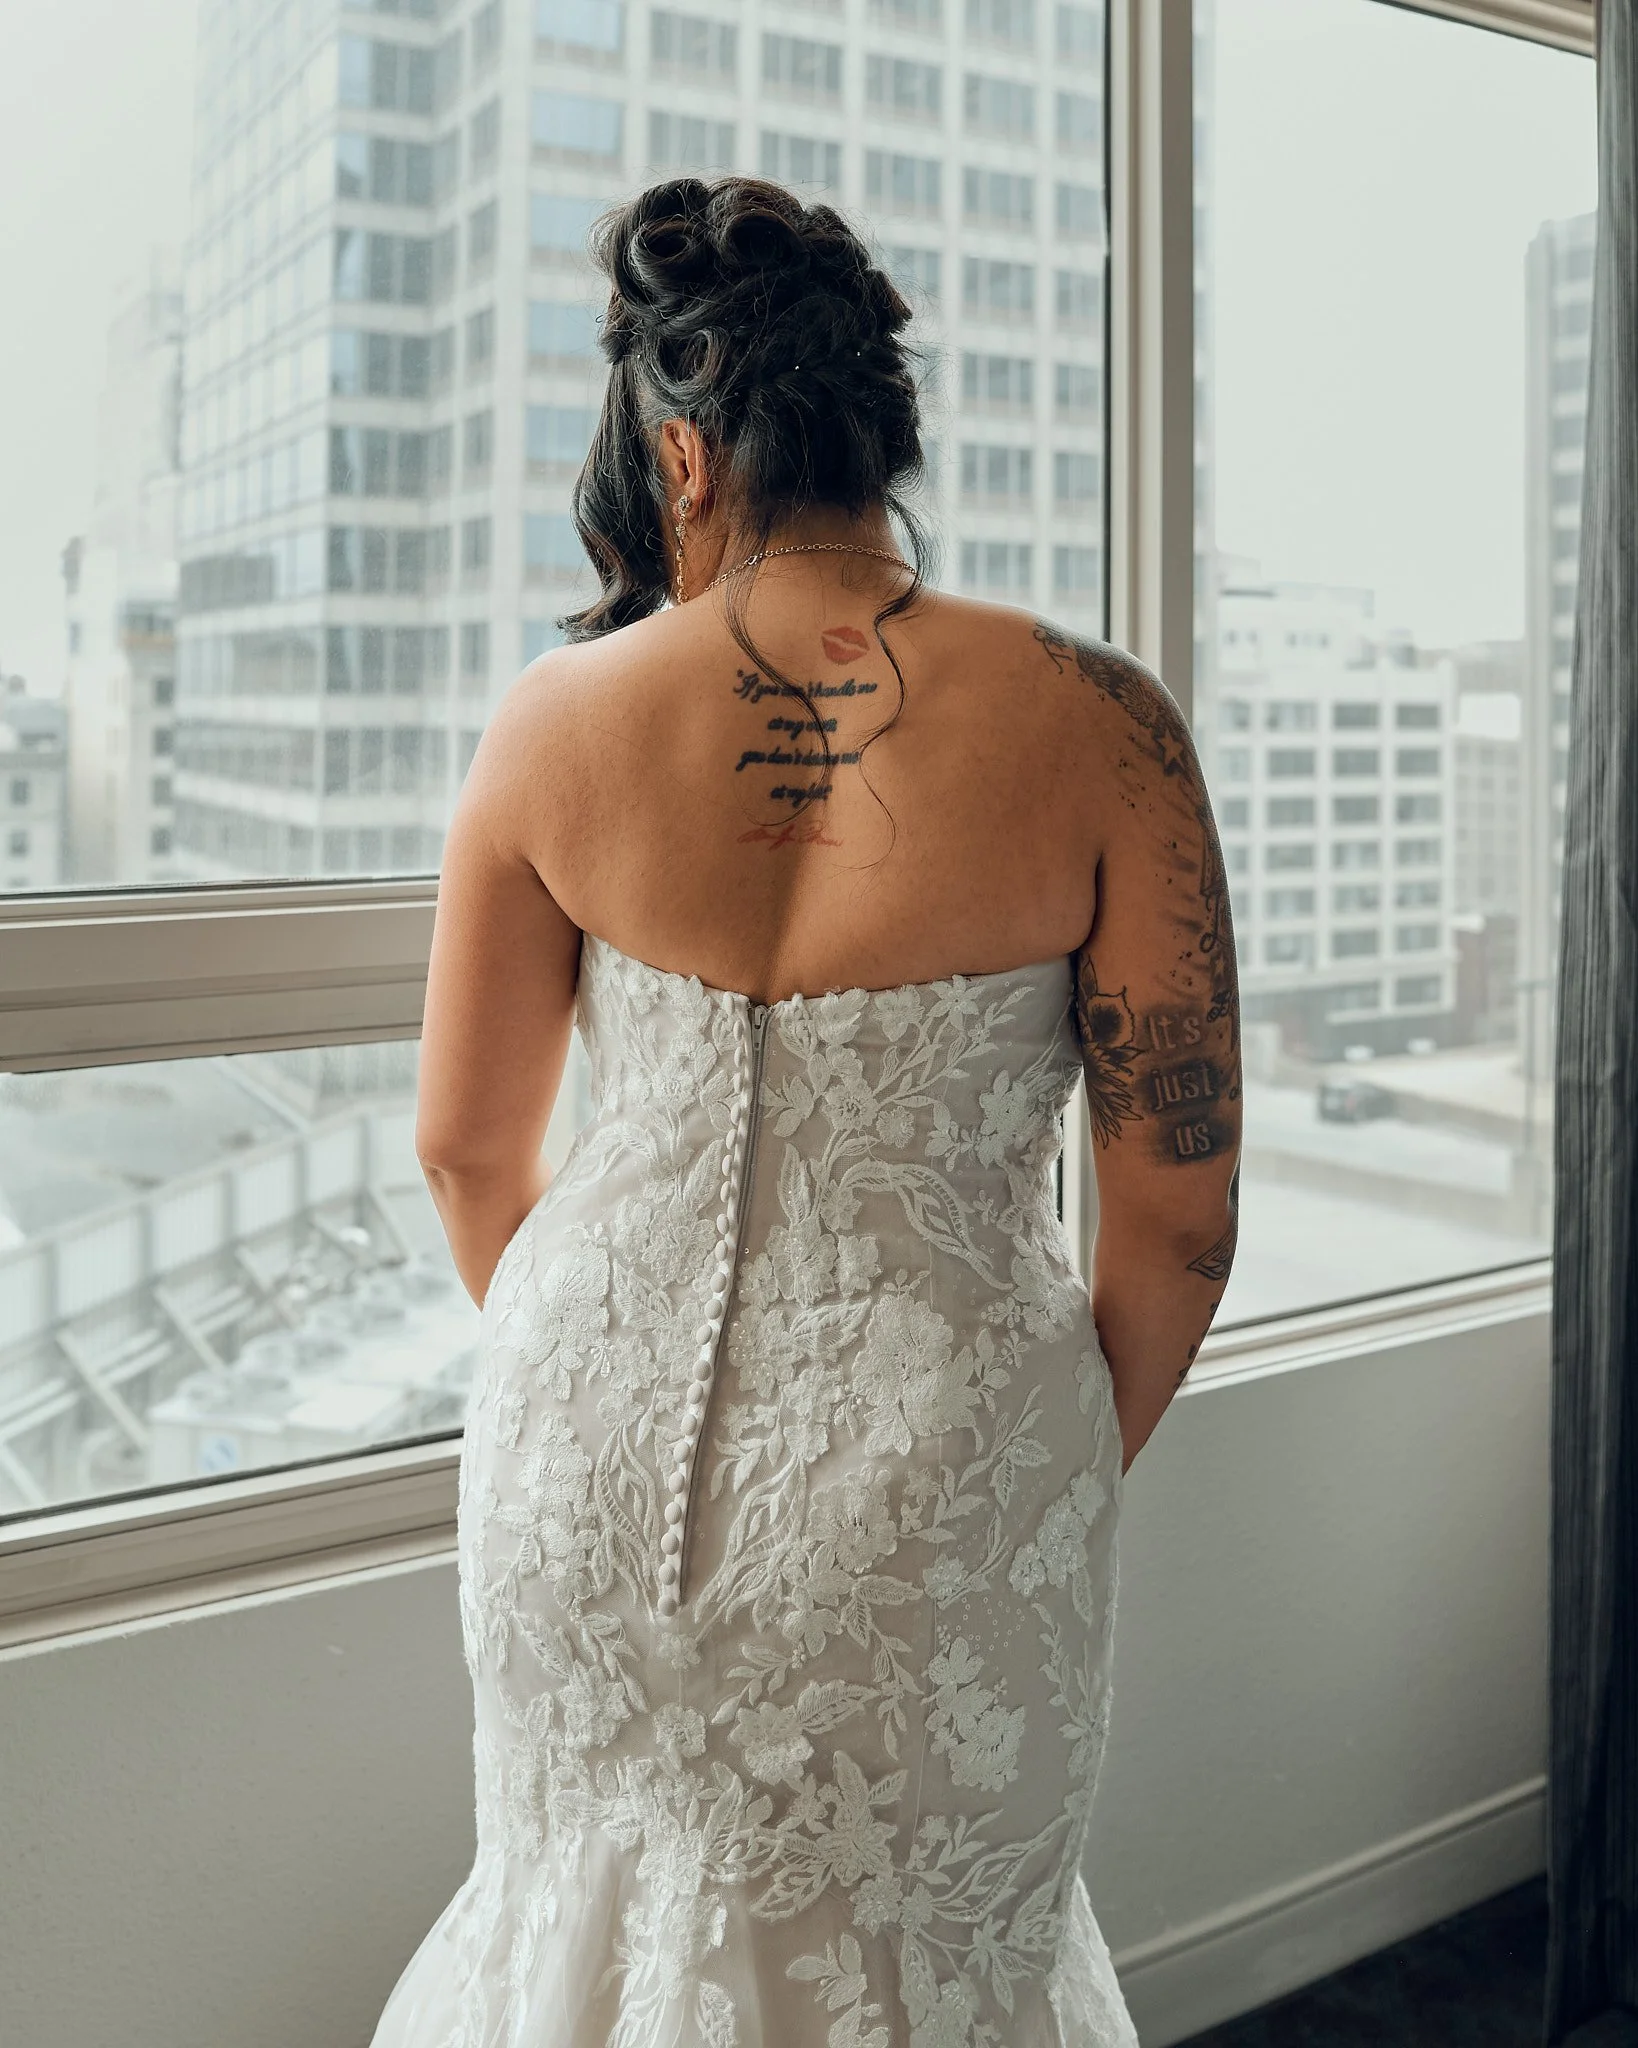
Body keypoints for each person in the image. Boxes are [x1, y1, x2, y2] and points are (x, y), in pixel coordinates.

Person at [375, 175, 1241, 2048]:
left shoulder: (553, 719)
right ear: (884, 436)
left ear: (679, 454)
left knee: (577, 1926)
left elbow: (463, 1151)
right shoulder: (1102, 720)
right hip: (943, 1479)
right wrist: (1039, 1463)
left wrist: (597, 1361)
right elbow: (1176, 1217)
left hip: (581, 1465)